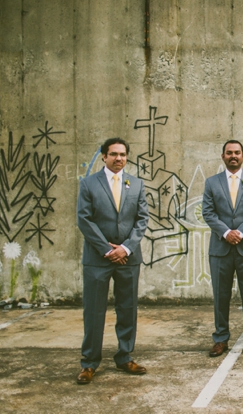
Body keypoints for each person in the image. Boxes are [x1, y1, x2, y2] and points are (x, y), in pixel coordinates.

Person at [76, 138, 149, 385]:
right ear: (104, 157)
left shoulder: (136, 184)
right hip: (98, 258)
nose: (119, 158)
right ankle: (89, 363)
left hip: (128, 258)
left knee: (127, 309)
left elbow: (142, 220)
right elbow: (84, 219)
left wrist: (126, 248)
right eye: (114, 154)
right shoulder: (88, 184)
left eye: (123, 154)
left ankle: (124, 356)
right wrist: (107, 250)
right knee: (94, 311)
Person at [202, 140, 243, 358]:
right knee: (220, 296)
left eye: (237, 153)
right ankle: (220, 338)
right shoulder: (212, 183)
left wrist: (239, 233)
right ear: (223, 156)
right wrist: (225, 232)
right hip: (220, 249)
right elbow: (208, 213)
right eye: (229, 153)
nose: (233, 156)